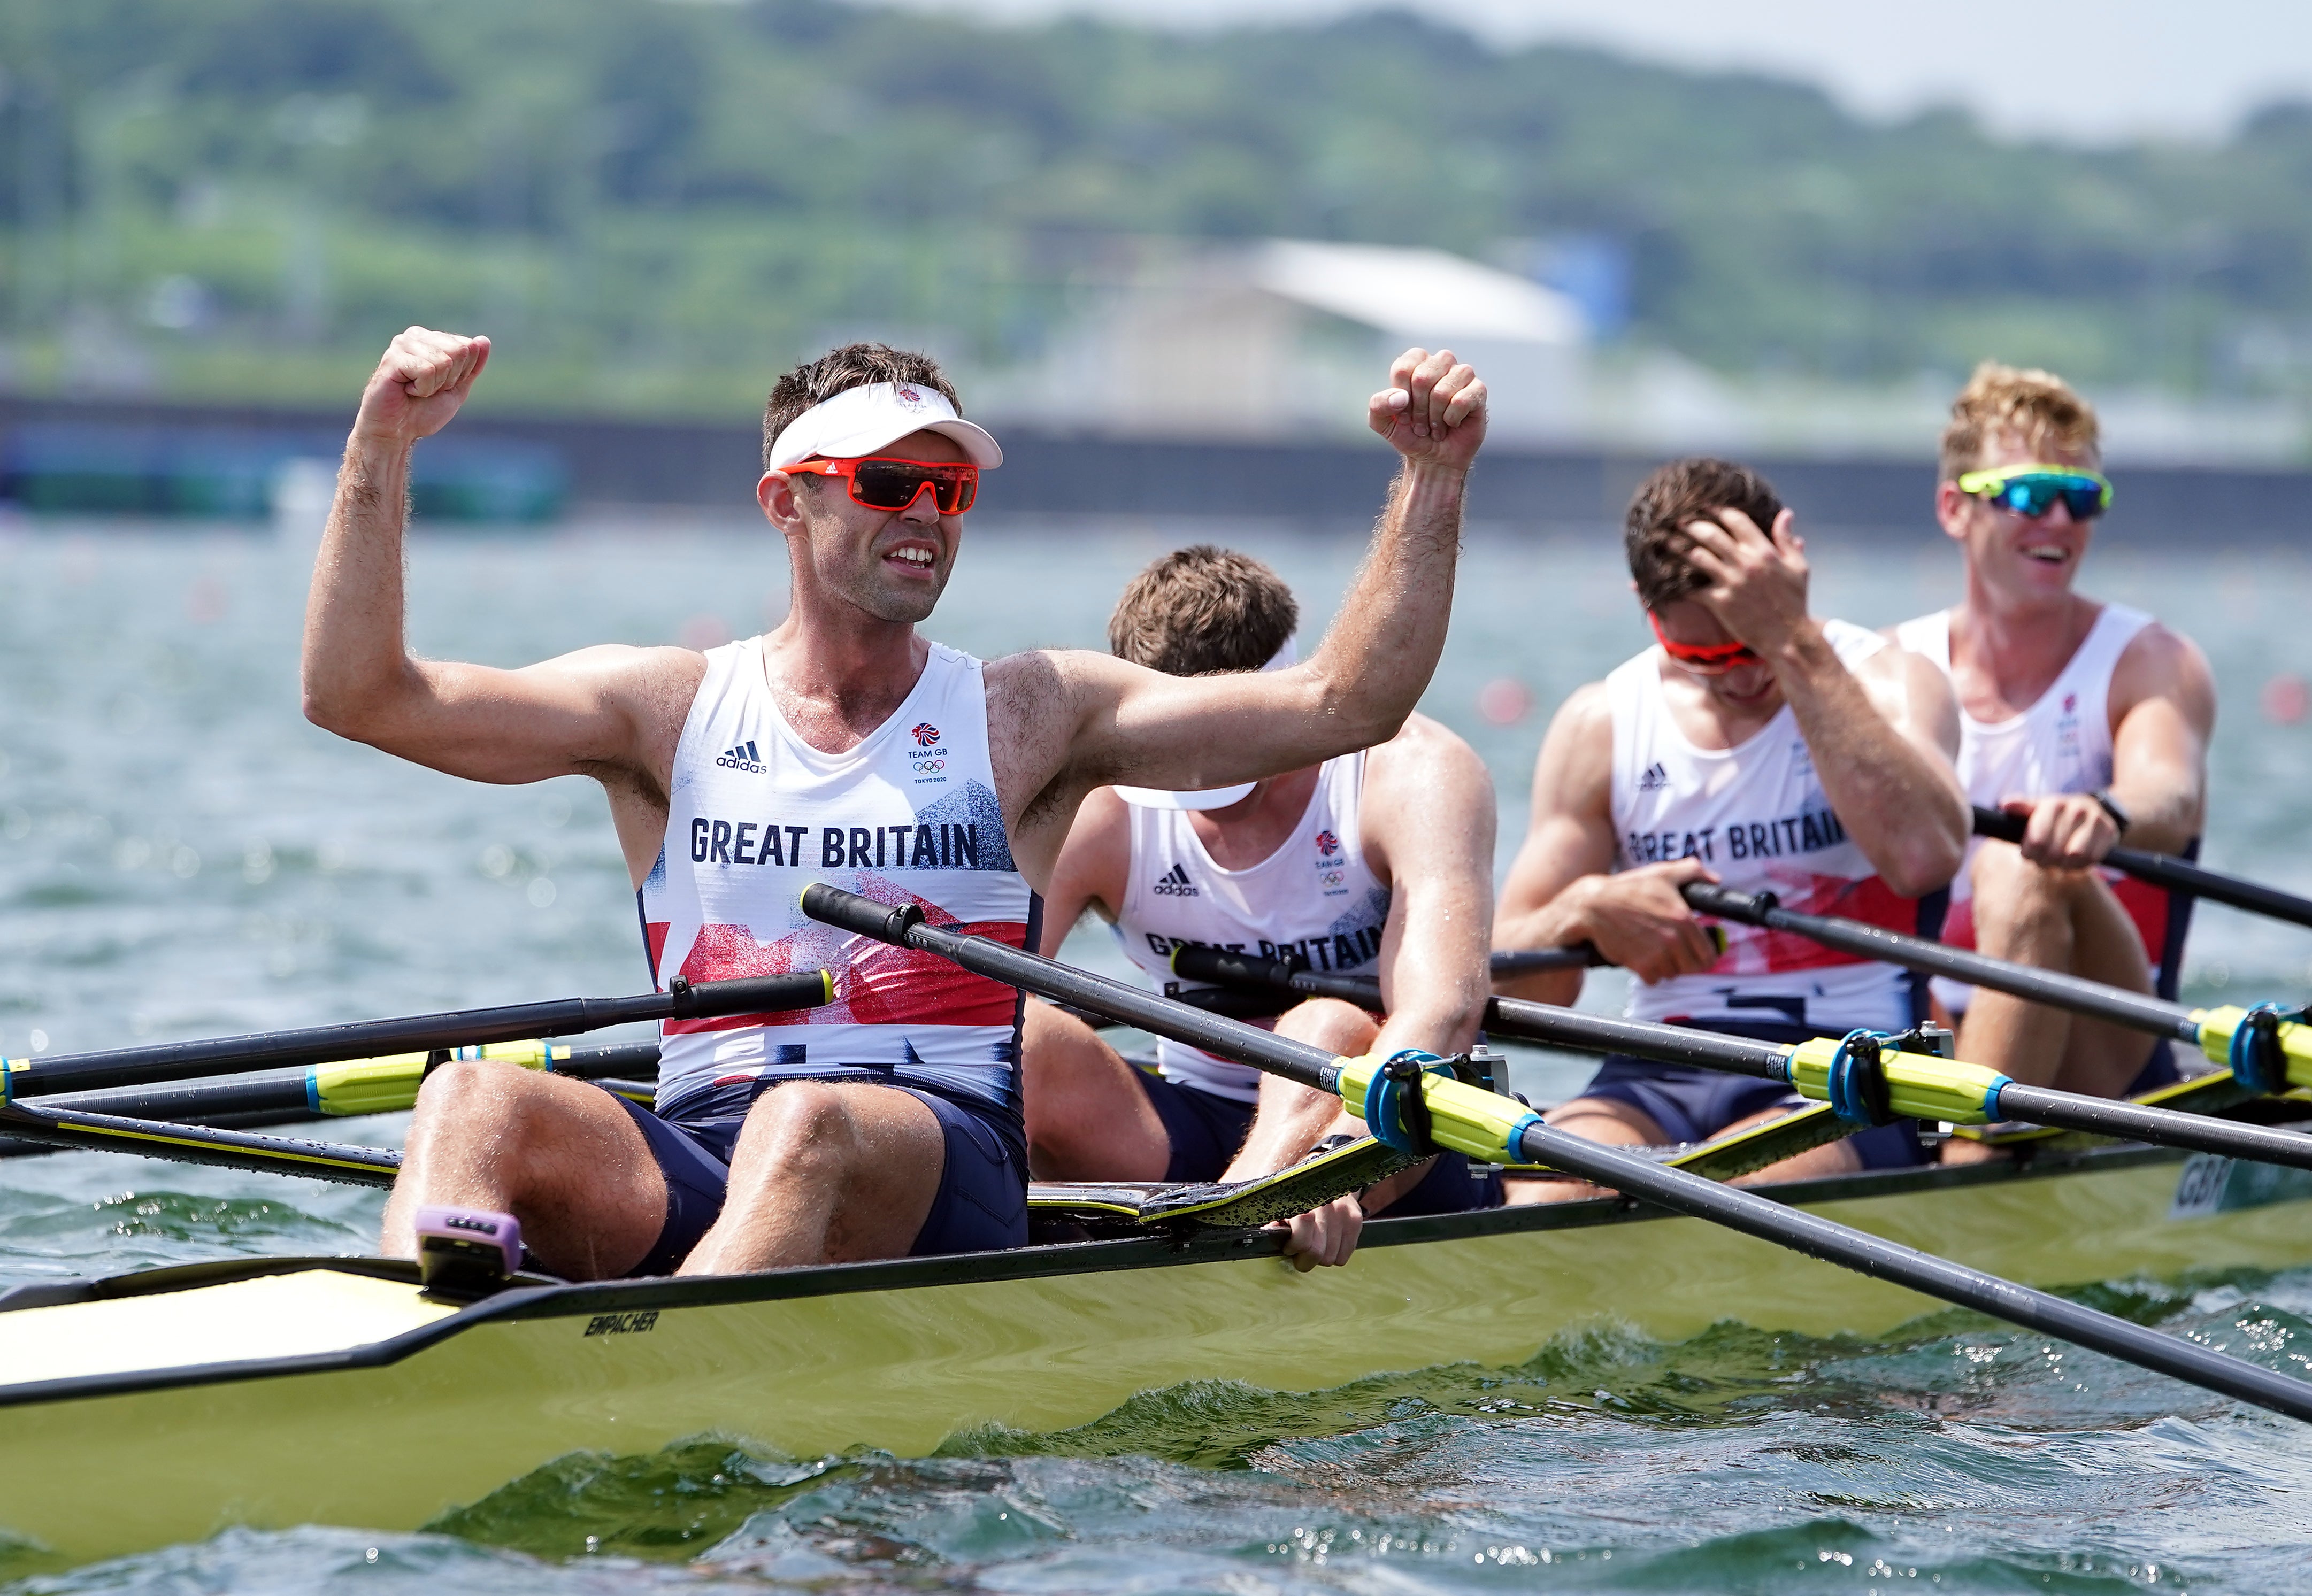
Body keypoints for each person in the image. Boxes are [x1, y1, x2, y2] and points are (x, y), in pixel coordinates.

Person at [302, 325, 1487, 1280]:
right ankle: (393, 1358)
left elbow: (1346, 702)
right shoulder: (662, 708)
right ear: (787, 502)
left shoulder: (1030, 713)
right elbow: (364, 695)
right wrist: (382, 442)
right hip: (709, 1146)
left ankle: (664, 1376)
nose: (925, 510)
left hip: (943, 1163)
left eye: (950, 485)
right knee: (468, 1096)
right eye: (886, 482)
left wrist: (1432, 480)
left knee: (805, 1124)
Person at [1494, 457, 1967, 1191]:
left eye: (1752, 646)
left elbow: (1924, 857)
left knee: (1728, 1191)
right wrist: (1582, 910)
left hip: (1855, 1062)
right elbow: (1515, 989)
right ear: (1646, 608)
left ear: (1790, 561)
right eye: (1705, 657)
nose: (1745, 678)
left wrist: (1794, 643)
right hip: (1662, 1064)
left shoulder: (1890, 681)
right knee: (1539, 1195)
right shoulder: (1603, 722)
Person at [1024, 546, 1499, 1269]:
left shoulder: (1411, 773)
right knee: (1026, 1037)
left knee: (1322, 1026)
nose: (1201, 784)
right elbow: (980, 1006)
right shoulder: (1105, 809)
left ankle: (1247, 1211)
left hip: (1381, 1137)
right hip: (1183, 1128)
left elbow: (1443, 1014)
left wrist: (1339, 1160)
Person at [1891, 363, 2216, 1098]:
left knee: (2023, 865)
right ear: (1954, 508)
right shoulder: (1888, 669)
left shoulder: (2151, 662)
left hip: (2105, 1039)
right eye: (2032, 496)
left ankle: (1968, 1167)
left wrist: (2106, 812)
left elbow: (2168, 792)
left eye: (2082, 499)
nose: (2062, 522)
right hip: (1924, 1022)